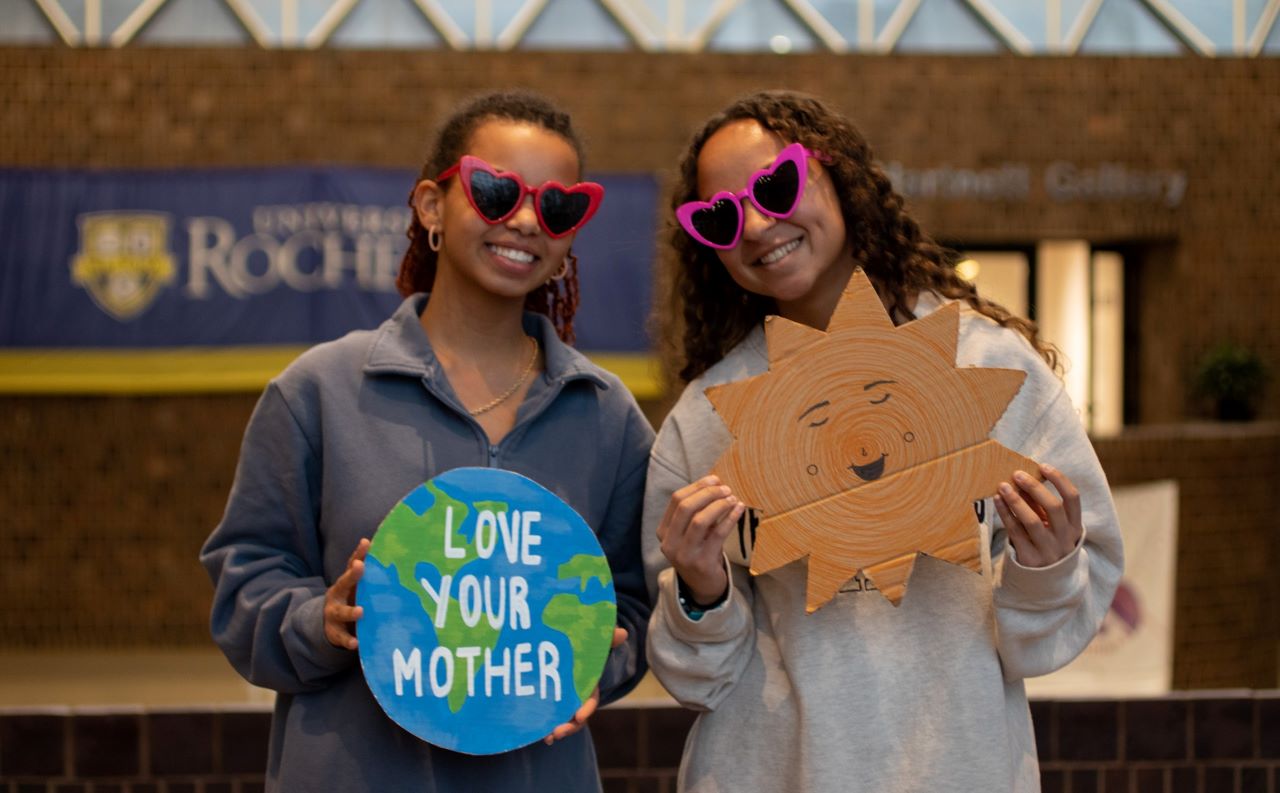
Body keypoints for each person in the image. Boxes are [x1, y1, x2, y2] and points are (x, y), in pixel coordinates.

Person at [643, 90, 1123, 792]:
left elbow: (1046, 635)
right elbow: (695, 676)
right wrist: (700, 589)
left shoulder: (995, 371)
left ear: (837, 175)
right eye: (719, 215)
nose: (755, 223)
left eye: (776, 185)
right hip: (769, 770)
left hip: (962, 765)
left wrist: (1047, 566)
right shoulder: (706, 418)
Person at [201, 90, 654, 792]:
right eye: (497, 191)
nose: (528, 219)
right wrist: (320, 619)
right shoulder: (318, 391)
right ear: (431, 206)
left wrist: (597, 661)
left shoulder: (606, 414)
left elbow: (633, 603)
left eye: (558, 206)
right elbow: (244, 588)